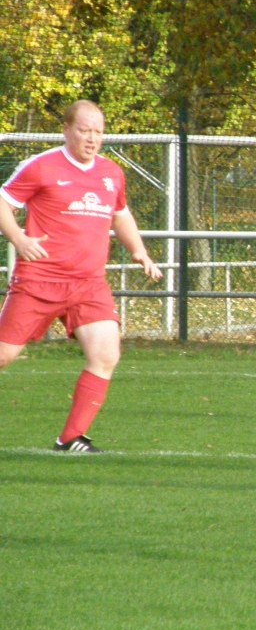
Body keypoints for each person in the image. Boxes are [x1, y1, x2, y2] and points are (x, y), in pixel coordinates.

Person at [0, 100, 162, 452]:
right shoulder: (41, 166)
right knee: (3, 355)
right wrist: (19, 239)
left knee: (106, 354)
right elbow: (3, 202)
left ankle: (71, 438)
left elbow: (121, 215)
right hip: (40, 280)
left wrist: (139, 251)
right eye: (84, 130)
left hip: (89, 284)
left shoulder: (111, 173)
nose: (92, 139)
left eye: (98, 132)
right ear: (66, 130)